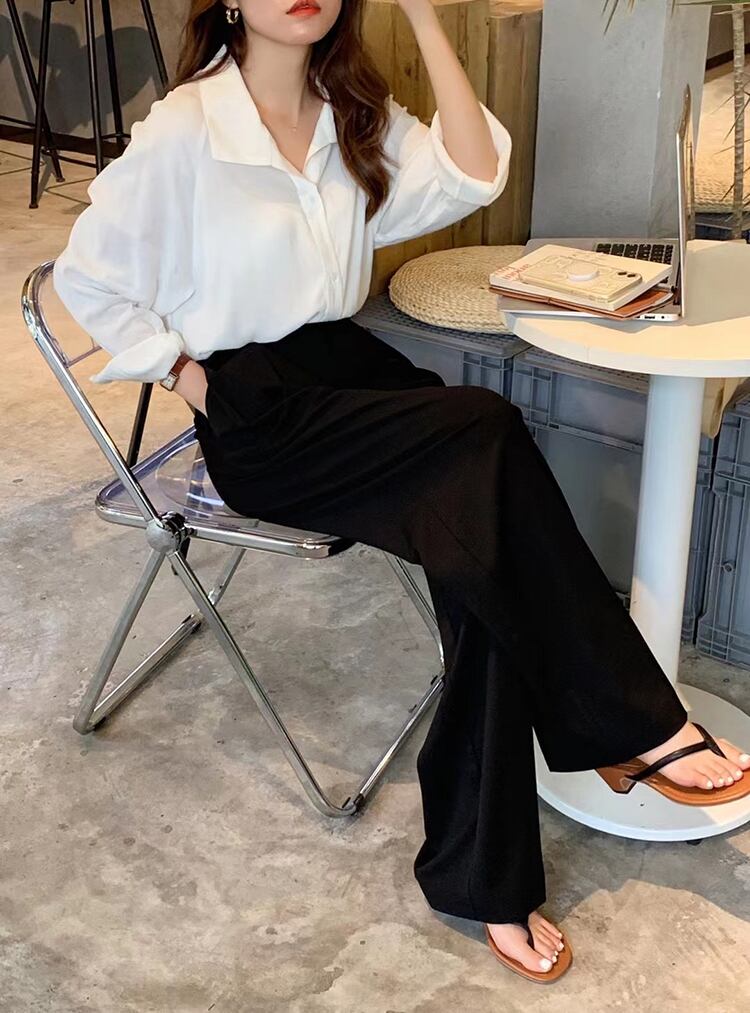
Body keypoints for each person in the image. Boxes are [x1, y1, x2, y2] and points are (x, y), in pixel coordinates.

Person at [52, 0, 750, 984]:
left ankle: (487, 869)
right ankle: (630, 724)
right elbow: (83, 280)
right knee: (485, 434)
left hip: (351, 372)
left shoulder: (349, 112)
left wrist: (422, 14)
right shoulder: (186, 129)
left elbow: (473, 168)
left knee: (482, 547)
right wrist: (189, 377)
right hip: (262, 414)